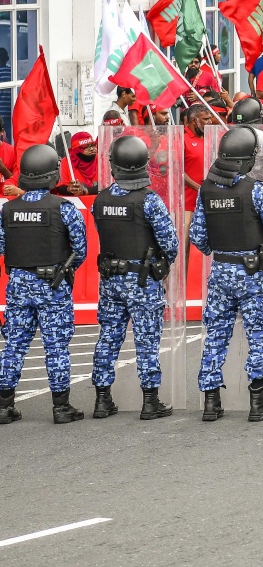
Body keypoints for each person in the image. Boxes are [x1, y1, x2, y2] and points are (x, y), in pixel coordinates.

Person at [190, 126, 263, 422]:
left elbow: (197, 236)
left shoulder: (206, 189)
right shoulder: (256, 190)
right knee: (257, 335)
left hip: (220, 270)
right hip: (252, 271)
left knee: (216, 335)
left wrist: (219, 252)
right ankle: (257, 404)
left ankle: (210, 403)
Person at [89, 136, 180, 421]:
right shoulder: (149, 200)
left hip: (110, 279)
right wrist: (161, 264)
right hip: (142, 280)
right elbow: (171, 242)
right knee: (147, 340)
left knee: (108, 338)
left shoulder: (100, 199)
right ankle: (150, 401)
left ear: (114, 165)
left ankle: (102, 400)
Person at [0, 146, 90, 425]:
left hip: (17, 284)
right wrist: (63, 269)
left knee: (14, 344)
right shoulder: (64, 209)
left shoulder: (8, 209)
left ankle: (4, 406)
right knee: (56, 346)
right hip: (52, 284)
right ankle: (61, 407)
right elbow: (81, 250)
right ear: (52, 173)